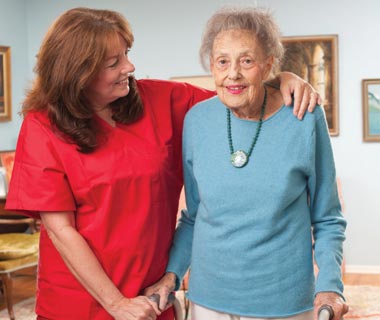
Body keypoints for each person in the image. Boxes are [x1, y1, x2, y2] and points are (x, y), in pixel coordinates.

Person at [5, 7, 320, 320]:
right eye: (114, 62)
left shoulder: (162, 100)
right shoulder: (42, 126)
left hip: (152, 294)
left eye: (126, 53)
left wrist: (281, 79)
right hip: (78, 303)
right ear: (78, 72)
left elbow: (235, 91)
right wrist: (116, 304)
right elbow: (60, 230)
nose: (130, 66)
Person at [145, 6, 348, 320]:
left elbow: (327, 218)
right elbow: (194, 216)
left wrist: (330, 285)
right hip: (207, 300)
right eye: (222, 61)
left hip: (284, 302)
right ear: (211, 65)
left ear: (268, 63)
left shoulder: (303, 117)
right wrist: (172, 275)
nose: (233, 74)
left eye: (247, 61)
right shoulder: (197, 120)